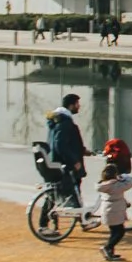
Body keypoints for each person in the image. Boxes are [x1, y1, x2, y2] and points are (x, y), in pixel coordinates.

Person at [45, 92, 90, 220]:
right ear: (71, 105)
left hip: (56, 162)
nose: (79, 106)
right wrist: (74, 161)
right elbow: (60, 144)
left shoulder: (57, 121)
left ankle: (81, 220)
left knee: (55, 193)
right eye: (77, 104)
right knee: (72, 191)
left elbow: (67, 142)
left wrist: (83, 150)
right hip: (66, 164)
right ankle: (82, 220)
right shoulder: (65, 122)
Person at [96, 155, 132, 262]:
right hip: (115, 213)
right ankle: (107, 247)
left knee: (114, 232)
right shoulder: (117, 185)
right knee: (120, 232)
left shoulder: (103, 186)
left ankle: (110, 252)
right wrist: (122, 177)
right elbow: (130, 181)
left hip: (107, 212)